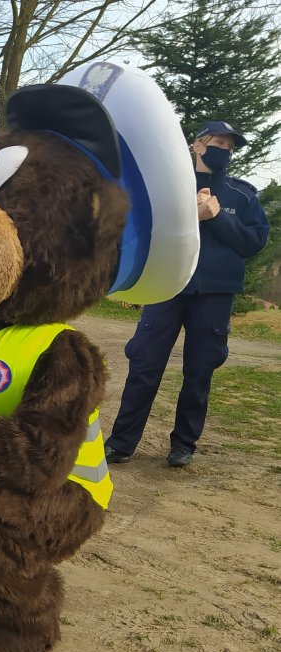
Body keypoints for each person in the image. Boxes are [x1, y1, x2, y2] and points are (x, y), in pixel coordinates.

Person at [104, 120, 270, 468]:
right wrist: (188, 216)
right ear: (198, 145)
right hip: (167, 287)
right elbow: (144, 231)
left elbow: (253, 243)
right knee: (145, 365)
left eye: (229, 147)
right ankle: (121, 443)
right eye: (218, 144)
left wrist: (217, 218)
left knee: (200, 370)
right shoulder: (169, 188)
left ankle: (184, 445)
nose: (223, 151)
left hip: (215, 294)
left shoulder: (242, 195)